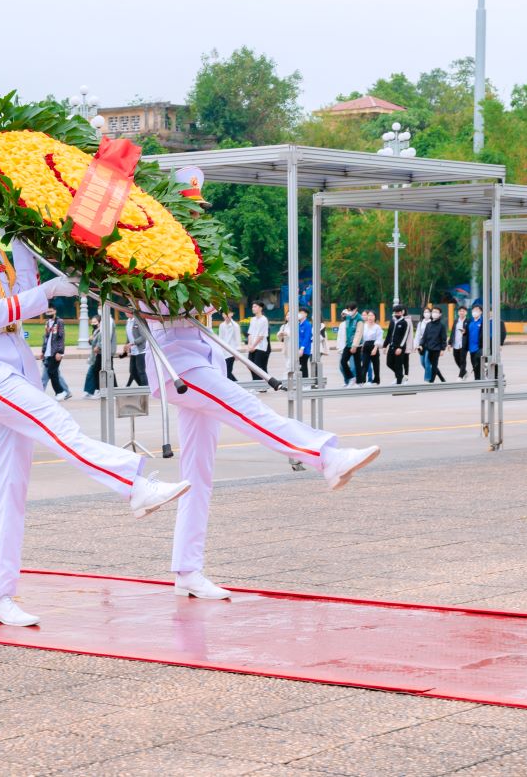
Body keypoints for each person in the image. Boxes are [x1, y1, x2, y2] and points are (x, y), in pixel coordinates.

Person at [0, 155, 189, 627]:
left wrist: (25, 242)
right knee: (60, 426)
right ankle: (134, 485)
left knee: (12, 490)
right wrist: (49, 292)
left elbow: (18, 291)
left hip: (14, 364)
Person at [144, 167, 381, 600]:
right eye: (188, 210)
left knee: (199, 473)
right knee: (253, 412)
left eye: (199, 210)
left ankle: (187, 571)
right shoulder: (148, 251)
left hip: (201, 359)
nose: (196, 218)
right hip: (178, 366)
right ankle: (325, 456)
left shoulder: (194, 252)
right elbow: (151, 305)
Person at [467, 303, 507, 379]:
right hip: (485, 344)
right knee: (482, 358)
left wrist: (500, 344)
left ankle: (497, 374)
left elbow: (503, 333)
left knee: (494, 359)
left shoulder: (499, 321)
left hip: (494, 343)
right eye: (488, 312)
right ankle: (482, 375)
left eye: (491, 312)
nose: (490, 313)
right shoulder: (484, 322)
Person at [40, 305, 70, 400]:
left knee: (51, 372)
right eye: (47, 312)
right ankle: (64, 392)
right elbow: (46, 338)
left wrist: (60, 352)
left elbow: (61, 338)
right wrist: (43, 351)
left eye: (51, 311)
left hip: (55, 352)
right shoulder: (47, 322)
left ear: (55, 311)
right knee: (54, 373)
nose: (49, 313)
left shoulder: (59, 322)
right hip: (48, 352)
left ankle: (60, 392)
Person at [383, 304, 412, 385]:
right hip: (391, 346)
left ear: (402, 312)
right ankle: (401, 376)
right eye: (396, 312)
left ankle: (399, 383)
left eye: (399, 312)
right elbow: (388, 334)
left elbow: (405, 336)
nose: (397, 314)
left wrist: (400, 347)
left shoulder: (404, 323)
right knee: (389, 363)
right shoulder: (392, 321)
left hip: (400, 348)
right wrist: (385, 346)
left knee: (398, 365)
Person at [419, 306, 447, 383]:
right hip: (428, 348)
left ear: (440, 314)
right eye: (433, 312)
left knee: (434, 365)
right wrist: (421, 344)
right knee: (425, 363)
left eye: (436, 312)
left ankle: (431, 381)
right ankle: (441, 378)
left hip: (436, 349)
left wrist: (442, 349)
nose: (434, 313)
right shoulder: (429, 324)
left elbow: (443, 338)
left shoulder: (442, 325)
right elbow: (424, 336)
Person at [82, 313, 107, 398]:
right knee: (92, 373)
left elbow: (99, 344)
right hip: (93, 356)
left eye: (95, 322)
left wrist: (93, 341)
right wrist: (90, 340)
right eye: (92, 322)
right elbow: (92, 343)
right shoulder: (95, 331)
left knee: (92, 373)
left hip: (98, 356)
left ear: (99, 323)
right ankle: (90, 391)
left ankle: (94, 391)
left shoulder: (101, 331)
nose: (93, 324)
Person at [245, 301, 270, 384]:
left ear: (260, 308)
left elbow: (261, 335)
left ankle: (260, 385)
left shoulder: (264, 319)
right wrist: (249, 345)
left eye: (255, 306)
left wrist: (254, 346)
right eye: (252, 307)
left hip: (260, 346)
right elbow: (250, 333)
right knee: (250, 365)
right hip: (252, 346)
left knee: (257, 367)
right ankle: (257, 384)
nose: (253, 308)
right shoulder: (252, 319)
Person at [122, 313, 148, 387]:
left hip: (141, 350)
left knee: (141, 371)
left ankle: (144, 389)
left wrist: (132, 343)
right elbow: (129, 336)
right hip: (133, 351)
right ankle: (142, 387)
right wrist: (126, 345)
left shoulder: (138, 321)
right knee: (132, 371)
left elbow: (144, 337)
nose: (125, 313)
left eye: (126, 311)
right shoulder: (128, 321)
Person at [339, 303, 362, 386]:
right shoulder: (348, 317)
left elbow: (359, 333)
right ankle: (352, 377)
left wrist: (354, 345)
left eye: (351, 310)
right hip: (348, 344)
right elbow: (343, 317)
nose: (350, 311)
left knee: (357, 363)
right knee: (343, 361)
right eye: (348, 310)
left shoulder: (359, 319)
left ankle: (359, 382)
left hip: (356, 345)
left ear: (356, 309)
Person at [359, 309, 383, 385]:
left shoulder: (377, 327)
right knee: (365, 364)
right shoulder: (364, 326)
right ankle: (362, 381)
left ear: (375, 317)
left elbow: (379, 338)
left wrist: (375, 348)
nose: (370, 317)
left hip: (374, 345)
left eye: (372, 315)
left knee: (376, 365)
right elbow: (361, 337)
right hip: (365, 346)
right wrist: (361, 346)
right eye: (369, 315)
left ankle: (376, 380)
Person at [218, 310, 241, 381]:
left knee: (228, 372)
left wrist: (237, 353)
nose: (226, 315)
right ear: (222, 315)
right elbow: (220, 338)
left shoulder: (235, 326)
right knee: (225, 372)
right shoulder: (221, 325)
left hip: (231, 353)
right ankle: (237, 384)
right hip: (223, 352)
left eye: (228, 313)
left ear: (232, 314)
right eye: (225, 313)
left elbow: (238, 339)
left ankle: (237, 385)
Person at [450, 305, 470, 380]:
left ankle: (460, 376)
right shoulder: (456, 321)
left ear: (466, 313)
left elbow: (469, 332)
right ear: (458, 312)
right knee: (456, 358)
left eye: (463, 311)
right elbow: (452, 332)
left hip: (463, 344)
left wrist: (465, 332)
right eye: (460, 311)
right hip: (456, 344)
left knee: (462, 360)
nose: (461, 312)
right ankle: (464, 371)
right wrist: (449, 343)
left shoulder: (468, 321)